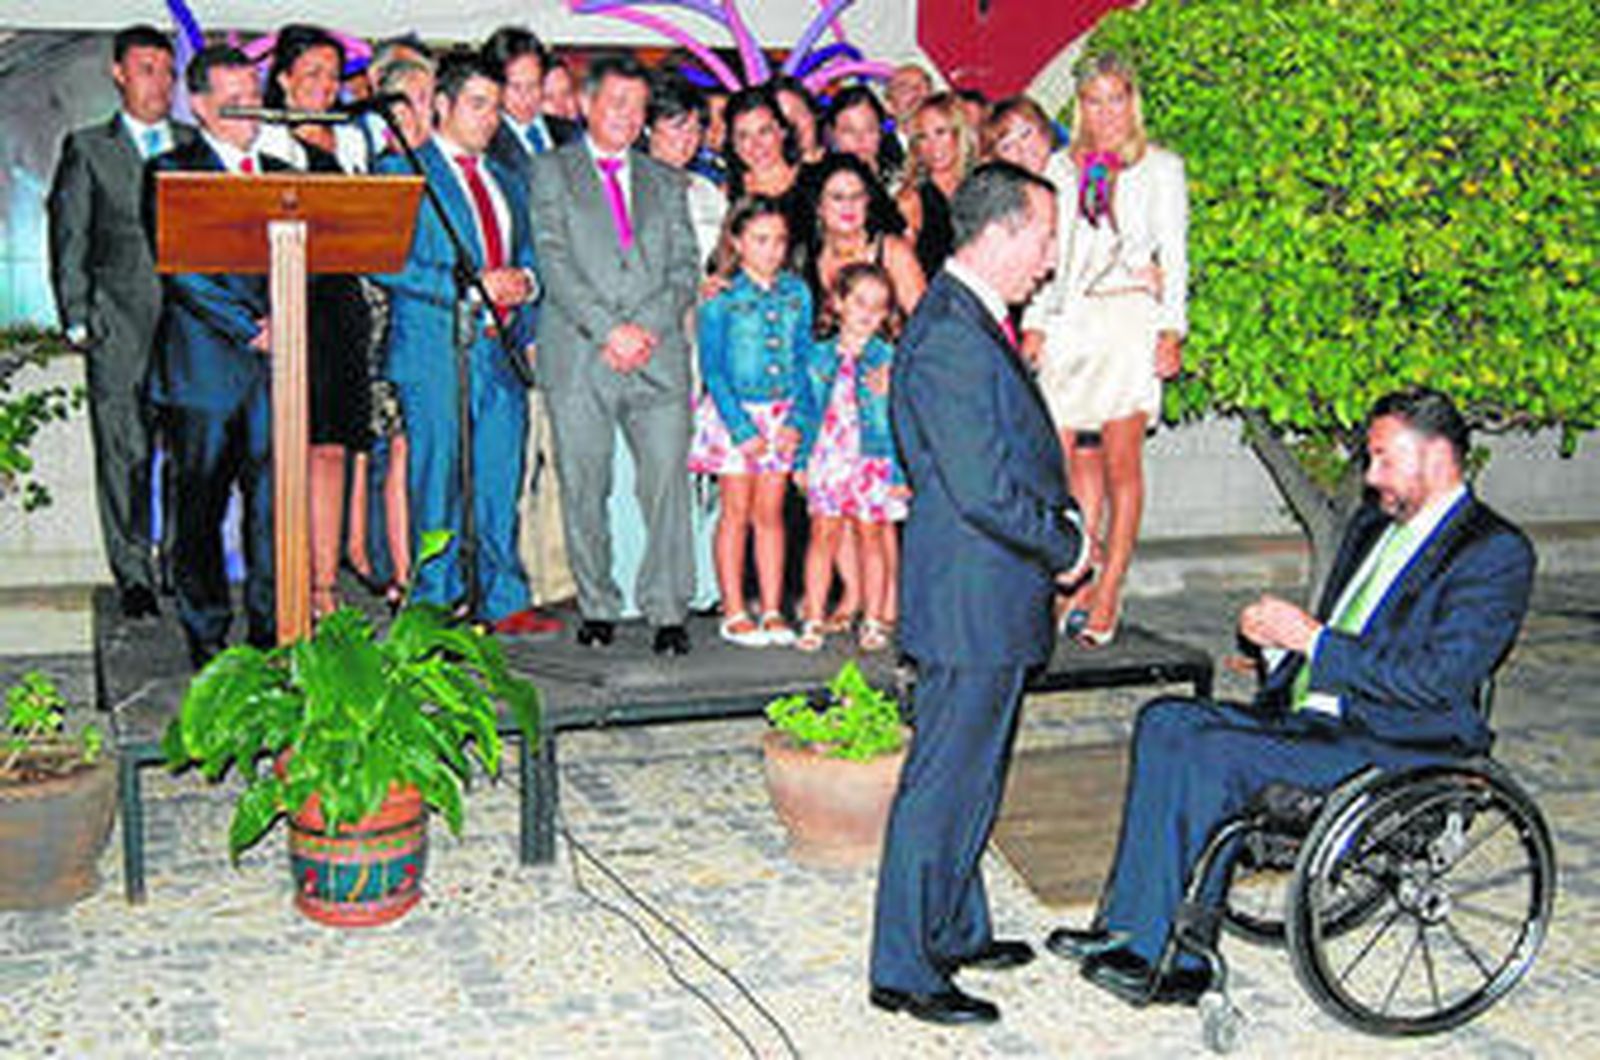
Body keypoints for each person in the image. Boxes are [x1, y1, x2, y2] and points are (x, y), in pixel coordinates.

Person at [1047, 388, 1537, 1007]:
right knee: (1166, 719)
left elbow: (1436, 678)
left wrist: (1312, 639)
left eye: (1384, 459)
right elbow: (1331, 640)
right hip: (1324, 717)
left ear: (1436, 456)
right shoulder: (1371, 527)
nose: (1370, 475)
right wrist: (1279, 647)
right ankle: (1127, 927)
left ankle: (1181, 955)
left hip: (1398, 742)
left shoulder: (1492, 551)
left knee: (1215, 754)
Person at [868, 161, 1088, 1026]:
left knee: (976, 772)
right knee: (942, 781)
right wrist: (1065, 537)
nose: (1048, 256)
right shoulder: (953, 333)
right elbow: (981, 485)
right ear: (998, 234)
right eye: (1042, 237)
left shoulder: (973, 317)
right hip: (970, 597)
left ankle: (956, 926)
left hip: (991, 593)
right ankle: (906, 967)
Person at [373, 52, 557, 637]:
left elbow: (528, 254)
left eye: (496, 108)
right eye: (478, 105)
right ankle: (433, 604)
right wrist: (471, 288)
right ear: (442, 105)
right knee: (437, 480)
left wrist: (525, 284)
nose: (490, 119)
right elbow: (387, 261)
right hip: (434, 350)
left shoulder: (506, 177)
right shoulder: (402, 170)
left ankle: (503, 597)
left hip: (498, 351)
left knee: (500, 478)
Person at [529, 53, 702, 656]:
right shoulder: (551, 171)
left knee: (665, 486)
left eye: (638, 106)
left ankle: (668, 608)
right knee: (585, 485)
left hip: (657, 355)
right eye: (616, 103)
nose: (629, 116)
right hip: (581, 353)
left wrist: (646, 327)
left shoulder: (665, 179)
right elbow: (553, 260)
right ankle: (598, 603)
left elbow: (686, 269)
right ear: (585, 105)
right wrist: (609, 330)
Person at [1023, 54, 1188, 648]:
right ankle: (1069, 576)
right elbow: (1051, 251)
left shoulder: (1161, 168)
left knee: (1122, 465)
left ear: (1132, 102)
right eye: (1094, 100)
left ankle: (1110, 584)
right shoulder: (1061, 168)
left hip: (1129, 321)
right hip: (1071, 322)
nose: (1106, 112)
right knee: (1059, 464)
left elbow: (1176, 254)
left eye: (1116, 98)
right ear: (1080, 105)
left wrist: (1172, 329)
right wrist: (1038, 319)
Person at [48, 24, 195, 620]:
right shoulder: (88, 148)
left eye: (166, 71)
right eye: (145, 70)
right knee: (125, 455)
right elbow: (69, 235)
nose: (158, 83)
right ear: (118, 73)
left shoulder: (193, 144)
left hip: (190, 332)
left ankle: (182, 566)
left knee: (191, 457)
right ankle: (132, 572)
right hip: (119, 327)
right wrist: (79, 317)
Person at [144, 44, 284, 668]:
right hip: (203, 371)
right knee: (198, 511)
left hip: (277, 368)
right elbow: (181, 267)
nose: (247, 109)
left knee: (271, 511)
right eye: (232, 99)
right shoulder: (172, 169)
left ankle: (269, 636)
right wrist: (248, 326)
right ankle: (205, 639)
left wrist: (286, 317)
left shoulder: (284, 170)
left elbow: (318, 251)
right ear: (198, 105)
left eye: (252, 95)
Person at [259, 25, 375, 621]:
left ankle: (326, 586)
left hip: (342, 303)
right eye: (312, 75)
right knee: (292, 448)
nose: (326, 87)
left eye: (332, 76)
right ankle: (290, 583)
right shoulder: (264, 141)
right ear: (283, 79)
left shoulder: (353, 141)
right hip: (289, 300)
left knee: (334, 446)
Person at [687, 198, 812, 647]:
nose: (771, 250)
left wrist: (798, 418)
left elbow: (802, 361)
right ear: (737, 242)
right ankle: (734, 608)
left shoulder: (797, 293)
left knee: (770, 513)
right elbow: (714, 370)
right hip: (735, 415)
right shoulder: (721, 299)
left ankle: (773, 608)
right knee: (735, 512)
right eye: (760, 240)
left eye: (779, 240)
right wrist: (741, 429)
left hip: (781, 415)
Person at [791, 263, 907, 654]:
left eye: (878, 306)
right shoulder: (817, 357)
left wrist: (897, 471)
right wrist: (801, 460)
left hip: (872, 461)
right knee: (822, 537)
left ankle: (873, 619)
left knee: (871, 538)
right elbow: (805, 411)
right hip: (828, 457)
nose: (867, 313)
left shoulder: (891, 360)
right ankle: (813, 617)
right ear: (839, 302)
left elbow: (900, 421)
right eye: (859, 302)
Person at [482, 26, 578, 191]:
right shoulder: (488, 145)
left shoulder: (572, 133)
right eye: (516, 87)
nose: (526, 97)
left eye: (533, 85)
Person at [895, 92, 975, 279]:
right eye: (923, 137)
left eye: (940, 132)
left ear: (958, 134)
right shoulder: (911, 199)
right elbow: (902, 272)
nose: (933, 146)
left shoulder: (981, 185)